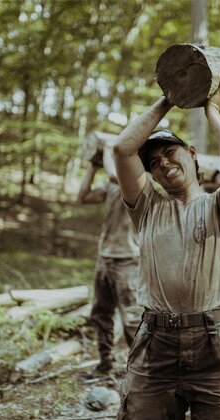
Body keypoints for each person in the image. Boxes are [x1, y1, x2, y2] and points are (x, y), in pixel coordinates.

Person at [112, 69, 220, 420]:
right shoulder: (148, 207)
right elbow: (122, 149)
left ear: (192, 153)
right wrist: (171, 97)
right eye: (154, 163)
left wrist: (212, 109)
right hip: (156, 345)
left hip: (217, 344)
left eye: (169, 152)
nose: (163, 163)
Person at [78, 145, 142, 374]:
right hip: (104, 258)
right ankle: (105, 362)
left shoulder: (136, 182)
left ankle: (141, 371)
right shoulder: (111, 187)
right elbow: (83, 196)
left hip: (128, 260)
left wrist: (106, 149)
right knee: (100, 313)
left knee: (132, 319)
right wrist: (92, 167)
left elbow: (115, 174)